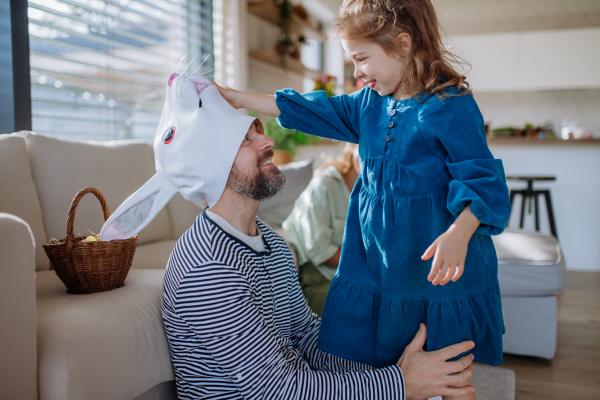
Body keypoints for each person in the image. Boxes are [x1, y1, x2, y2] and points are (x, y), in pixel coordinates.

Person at [214, 1, 512, 399]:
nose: (356, 73)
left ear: (402, 45)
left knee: (450, 377)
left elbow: (483, 179)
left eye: (361, 58)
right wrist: (235, 97)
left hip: (440, 275)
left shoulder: (450, 105)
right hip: (381, 271)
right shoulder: (368, 106)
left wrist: (460, 234)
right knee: (390, 366)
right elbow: (310, 108)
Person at [162, 117, 476, 399]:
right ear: (209, 164)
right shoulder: (208, 268)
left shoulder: (270, 241)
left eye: (259, 130)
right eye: (246, 138)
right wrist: (399, 383)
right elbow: (276, 389)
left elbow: (309, 338)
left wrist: (390, 365)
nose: (269, 141)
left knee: (439, 379)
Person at [283, 143, 360, 316]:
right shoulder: (325, 183)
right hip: (315, 276)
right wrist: (366, 264)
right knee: (363, 308)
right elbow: (319, 251)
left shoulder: (375, 191)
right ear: (353, 147)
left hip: (351, 275)